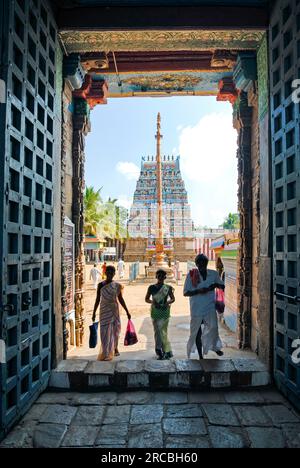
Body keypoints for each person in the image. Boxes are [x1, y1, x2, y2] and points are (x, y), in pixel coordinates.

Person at [184, 254, 225, 359]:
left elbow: (222, 286)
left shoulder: (213, 274)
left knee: (213, 327)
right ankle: (200, 355)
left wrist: (214, 285)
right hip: (196, 307)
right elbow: (186, 292)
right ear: (196, 264)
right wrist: (198, 291)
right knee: (196, 331)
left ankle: (215, 347)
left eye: (204, 263)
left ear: (207, 263)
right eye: (200, 263)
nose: (202, 265)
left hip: (209, 306)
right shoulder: (191, 275)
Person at [92, 266, 131, 361]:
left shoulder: (117, 285)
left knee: (115, 331)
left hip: (114, 310)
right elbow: (98, 299)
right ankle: (106, 352)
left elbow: (120, 299)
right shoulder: (100, 285)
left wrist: (127, 311)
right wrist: (94, 312)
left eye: (112, 272)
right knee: (104, 331)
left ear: (114, 273)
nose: (109, 273)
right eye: (108, 271)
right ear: (105, 273)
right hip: (104, 310)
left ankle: (115, 347)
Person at [145, 269, 175, 360]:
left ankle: (165, 350)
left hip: (165, 311)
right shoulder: (151, 287)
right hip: (155, 311)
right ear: (156, 276)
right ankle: (159, 350)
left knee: (163, 332)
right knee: (157, 332)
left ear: (165, 277)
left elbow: (173, 299)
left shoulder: (168, 287)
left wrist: (167, 303)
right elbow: (146, 299)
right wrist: (153, 302)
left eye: (162, 276)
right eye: (159, 276)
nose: (161, 277)